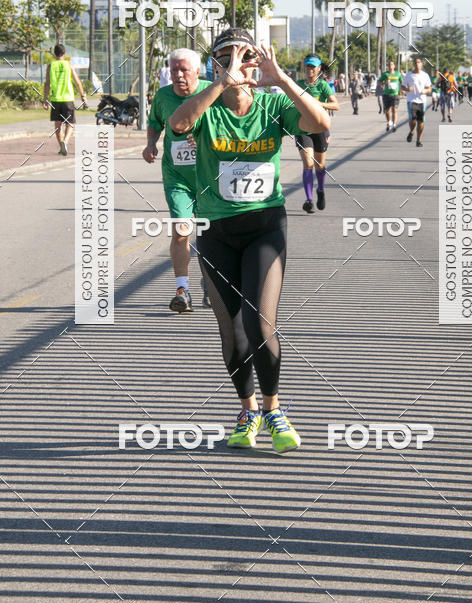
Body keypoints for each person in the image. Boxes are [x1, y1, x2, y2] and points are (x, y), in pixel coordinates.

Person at [169, 27, 330, 452]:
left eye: (249, 58)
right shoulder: (206, 106)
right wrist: (223, 81)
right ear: (217, 65)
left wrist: (283, 80)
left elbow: (320, 122)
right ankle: (247, 410)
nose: (242, 65)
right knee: (232, 333)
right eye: (229, 58)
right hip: (216, 231)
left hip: (265, 227)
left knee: (260, 322)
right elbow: (178, 123)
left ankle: (274, 410)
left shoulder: (275, 104)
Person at [143, 49, 211, 312]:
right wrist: (150, 143)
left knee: (210, 232)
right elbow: (155, 123)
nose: (179, 75)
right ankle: (183, 290)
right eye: (174, 70)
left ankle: (212, 280)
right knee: (182, 230)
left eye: (184, 70)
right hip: (177, 178)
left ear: (197, 71)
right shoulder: (163, 96)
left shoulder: (211, 92)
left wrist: (205, 137)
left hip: (211, 176)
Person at [295, 54, 339, 213]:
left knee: (319, 165)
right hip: (302, 129)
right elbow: (288, 101)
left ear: (319, 68)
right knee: (308, 163)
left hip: (320, 129)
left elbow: (336, 105)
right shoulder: (298, 85)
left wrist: (318, 103)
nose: (309, 69)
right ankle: (309, 200)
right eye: (307, 66)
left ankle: (320, 190)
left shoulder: (323, 86)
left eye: (313, 66)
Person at [43, 44, 87, 155]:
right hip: (68, 99)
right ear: (64, 53)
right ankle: (65, 142)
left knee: (58, 125)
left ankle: (61, 145)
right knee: (70, 123)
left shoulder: (50, 66)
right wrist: (83, 95)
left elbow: (47, 84)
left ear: (54, 53)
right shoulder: (69, 65)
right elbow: (77, 82)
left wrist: (45, 99)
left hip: (55, 99)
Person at [402, 57, 432, 148]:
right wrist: (407, 89)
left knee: (421, 121)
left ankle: (419, 140)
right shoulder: (408, 75)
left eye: (419, 62)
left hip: (422, 101)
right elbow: (402, 87)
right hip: (411, 100)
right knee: (413, 119)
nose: (417, 64)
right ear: (413, 64)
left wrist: (425, 91)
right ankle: (411, 131)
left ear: (421, 64)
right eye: (415, 62)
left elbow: (430, 88)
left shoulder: (425, 75)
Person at [379, 60, 403, 132]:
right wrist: (385, 83)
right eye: (389, 65)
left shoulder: (398, 74)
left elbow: (402, 82)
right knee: (387, 110)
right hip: (387, 94)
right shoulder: (385, 74)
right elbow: (379, 83)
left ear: (394, 66)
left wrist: (402, 90)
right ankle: (389, 122)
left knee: (394, 109)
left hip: (395, 94)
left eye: (392, 64)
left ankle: (394, 125)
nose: (390, 66)